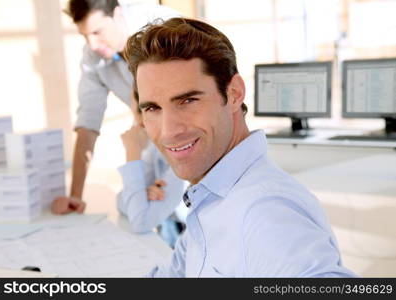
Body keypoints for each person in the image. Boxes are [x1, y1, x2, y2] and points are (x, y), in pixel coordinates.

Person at [123, 17, 356, 277]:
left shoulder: (266, 209)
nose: (168, 131)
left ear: (234, 94)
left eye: (188, 100)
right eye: (153, 108)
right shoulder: (211, 195)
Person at [51, 0, 180, 214]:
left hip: (189, 138)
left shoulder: (165, 26)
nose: (92, 44)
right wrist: (75, 197)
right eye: (84, 36)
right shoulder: (93, 56)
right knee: (142, 207)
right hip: (152, 146)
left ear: (118, 14)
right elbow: (87, 124)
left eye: (97, 32)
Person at [117, 93, 187, 247]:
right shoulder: (154, 150)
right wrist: (142, 194)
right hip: (170, 232)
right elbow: (122, 202)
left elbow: (140, 222)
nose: (139, 122)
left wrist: (132, 152)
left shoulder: (181, 148)